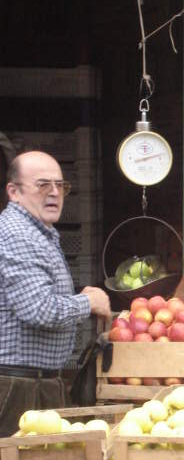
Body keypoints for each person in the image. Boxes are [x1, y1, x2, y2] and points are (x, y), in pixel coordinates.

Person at [0, 150, 111, 436]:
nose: (55, 193)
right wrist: (87, 302)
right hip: (16, 386)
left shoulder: (38, 231)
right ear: (14, 191)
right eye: (42, 185)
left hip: (34, 383)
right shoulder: (17, 234)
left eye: (60, 185)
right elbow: (38, 309)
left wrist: (76, 295)